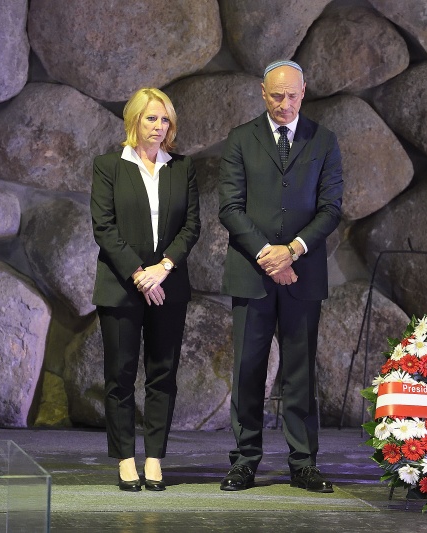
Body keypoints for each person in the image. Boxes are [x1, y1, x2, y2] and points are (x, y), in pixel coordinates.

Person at [217, 60, 343, 493]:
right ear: (262, 92)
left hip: (302, 275)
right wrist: (266, 254)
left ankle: (303, 463)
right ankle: (244, 461)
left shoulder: (324, 141)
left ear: (304, 92)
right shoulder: (239, 140)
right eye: (276, 95)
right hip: (251, 275)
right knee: (248, 371)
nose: (284, 103)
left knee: (300, 373)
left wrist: (291, 251)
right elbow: (230, 207)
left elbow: (330, 209)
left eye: (291, 95)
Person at [91, 87, 200, 492]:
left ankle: (154, 458)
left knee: (162, 374)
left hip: (168, 285)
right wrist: (140, 274)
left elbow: (192, 226)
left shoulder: (182, 167)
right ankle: (125, 459)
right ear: (133, 120)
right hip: (121, 286)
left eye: (165, 119)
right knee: (119, 376)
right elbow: (104, 226)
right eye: (151, 118)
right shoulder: (108, 166)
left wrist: (162, 269)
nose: (159, 126)